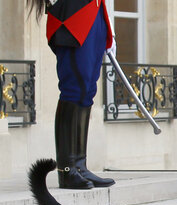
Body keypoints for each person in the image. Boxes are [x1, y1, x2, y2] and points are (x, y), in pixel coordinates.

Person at [26, 0, 115, 189]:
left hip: (93, 11)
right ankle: (66, 170)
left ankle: (79, 166)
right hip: (72, 16)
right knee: (74, 89)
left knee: (87, 91)